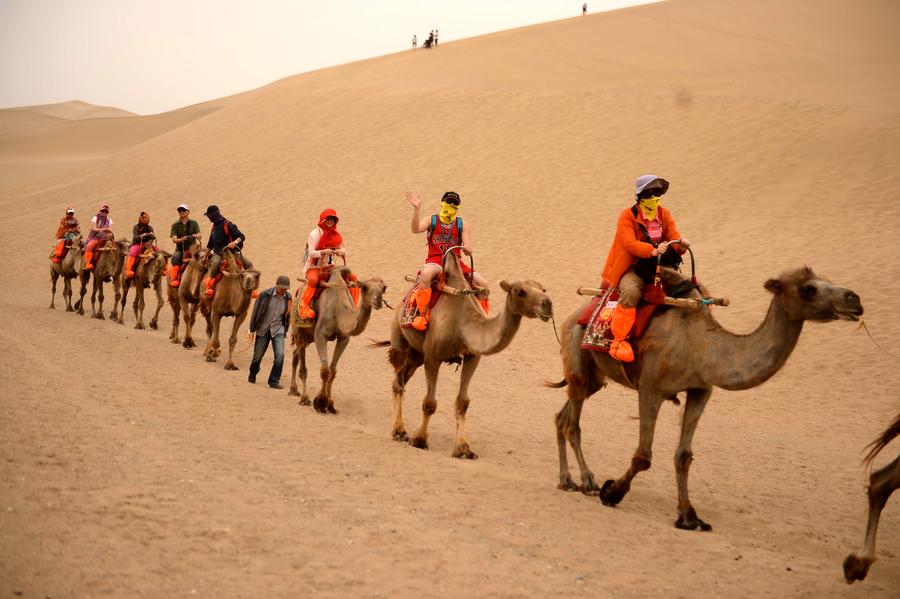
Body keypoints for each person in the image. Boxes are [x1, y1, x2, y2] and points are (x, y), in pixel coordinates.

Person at [600, 174, 690, 362]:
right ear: (640, 196)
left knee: (686, 287)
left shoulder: (663, 213)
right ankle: (619, 341)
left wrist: (681, 245)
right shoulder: (628, 215)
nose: (653, 197)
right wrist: (653, 250)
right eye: (649, 193)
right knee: (632, 292)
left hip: (657, 266)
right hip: (633, 267)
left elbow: (673, 235)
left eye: (656, 193)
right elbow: (629, 244)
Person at [405, 190, 489, 330]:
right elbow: (415, 229)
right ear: (442, 203)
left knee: (483, 283)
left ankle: (481, 319)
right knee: (426, 275)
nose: (451, 205)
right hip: (436, 261)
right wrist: (416, 209)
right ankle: (423, 314)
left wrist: (468, 249)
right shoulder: (431, 220)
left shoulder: (462, 224)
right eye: (449, 202)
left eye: (454, 204)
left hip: (456, 263)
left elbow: (467, 245)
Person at [297, 208, 357, 319]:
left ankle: (353, 306)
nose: (330, 221)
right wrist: (323, 252)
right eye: (328, 219)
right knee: (313, 280)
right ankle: (304, 306)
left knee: (352, 277)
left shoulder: (336, 235)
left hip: (330, 267)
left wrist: (340, 252)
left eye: (332, 219)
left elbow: (344, 250)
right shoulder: (314, 234)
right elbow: (311, 253)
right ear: (323, 220)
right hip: (315, 267)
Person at [248, 275, 292, 389]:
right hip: (263, 329)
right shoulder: (265, 294)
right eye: (282, 288)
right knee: (257, 357)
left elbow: (288, 315)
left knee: (280, 355)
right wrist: (251, 329)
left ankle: (274, 380)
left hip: (278, 330)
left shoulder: (288, 298)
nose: (283, 290)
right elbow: (255, 311)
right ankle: (253, 372)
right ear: (276, 285)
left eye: (286, 289)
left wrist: (286, 329)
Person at [203, 205, 253, 296]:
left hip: (232, 252)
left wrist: (234, 242)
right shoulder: (213, 227)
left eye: (209, 216)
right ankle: (210, 286)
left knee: (249, 264)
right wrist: (205, 256)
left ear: (213, 215)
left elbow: (241, 236)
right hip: (219, 254)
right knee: (215, 264)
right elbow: (210, 244)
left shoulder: (228, 225)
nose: (208, 218)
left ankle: (251, 288)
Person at [169, 203, 201, 288]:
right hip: (180, 249)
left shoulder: (194, 223)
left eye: (183, 210)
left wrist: (196, 235)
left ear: (188, 212)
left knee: (204, 257)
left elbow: (199, 235)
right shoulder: (175, 225)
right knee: (176, 257)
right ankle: (174, 279)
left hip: (193, 249)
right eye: (179, 210)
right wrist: (181, 239)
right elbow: (174, 239)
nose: (181, 212)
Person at [125, 211, 156, 279]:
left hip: (147, 244)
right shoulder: (136, 227)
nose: (145, 218)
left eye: (146, 217)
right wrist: (141, 236)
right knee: (133, 252)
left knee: (158, 250)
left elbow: (153, 237)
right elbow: (135, 237)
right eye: (143, 217)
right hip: (137, 244)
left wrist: (152, 235)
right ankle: (129, 270)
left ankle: (164, 269)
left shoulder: (150, 227)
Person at [83, 203, 114, 270]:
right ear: (100, 211)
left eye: (106, 211)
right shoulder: (95, 218)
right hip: (95, 237)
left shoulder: (109, 220)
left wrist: (107, 230)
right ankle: (87, 263)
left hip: (105, 238)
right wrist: (102, 229)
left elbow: (110, 230)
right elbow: (93, 228)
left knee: (113, 247)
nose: (104, 213)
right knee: (90, 246)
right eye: (102, 211)